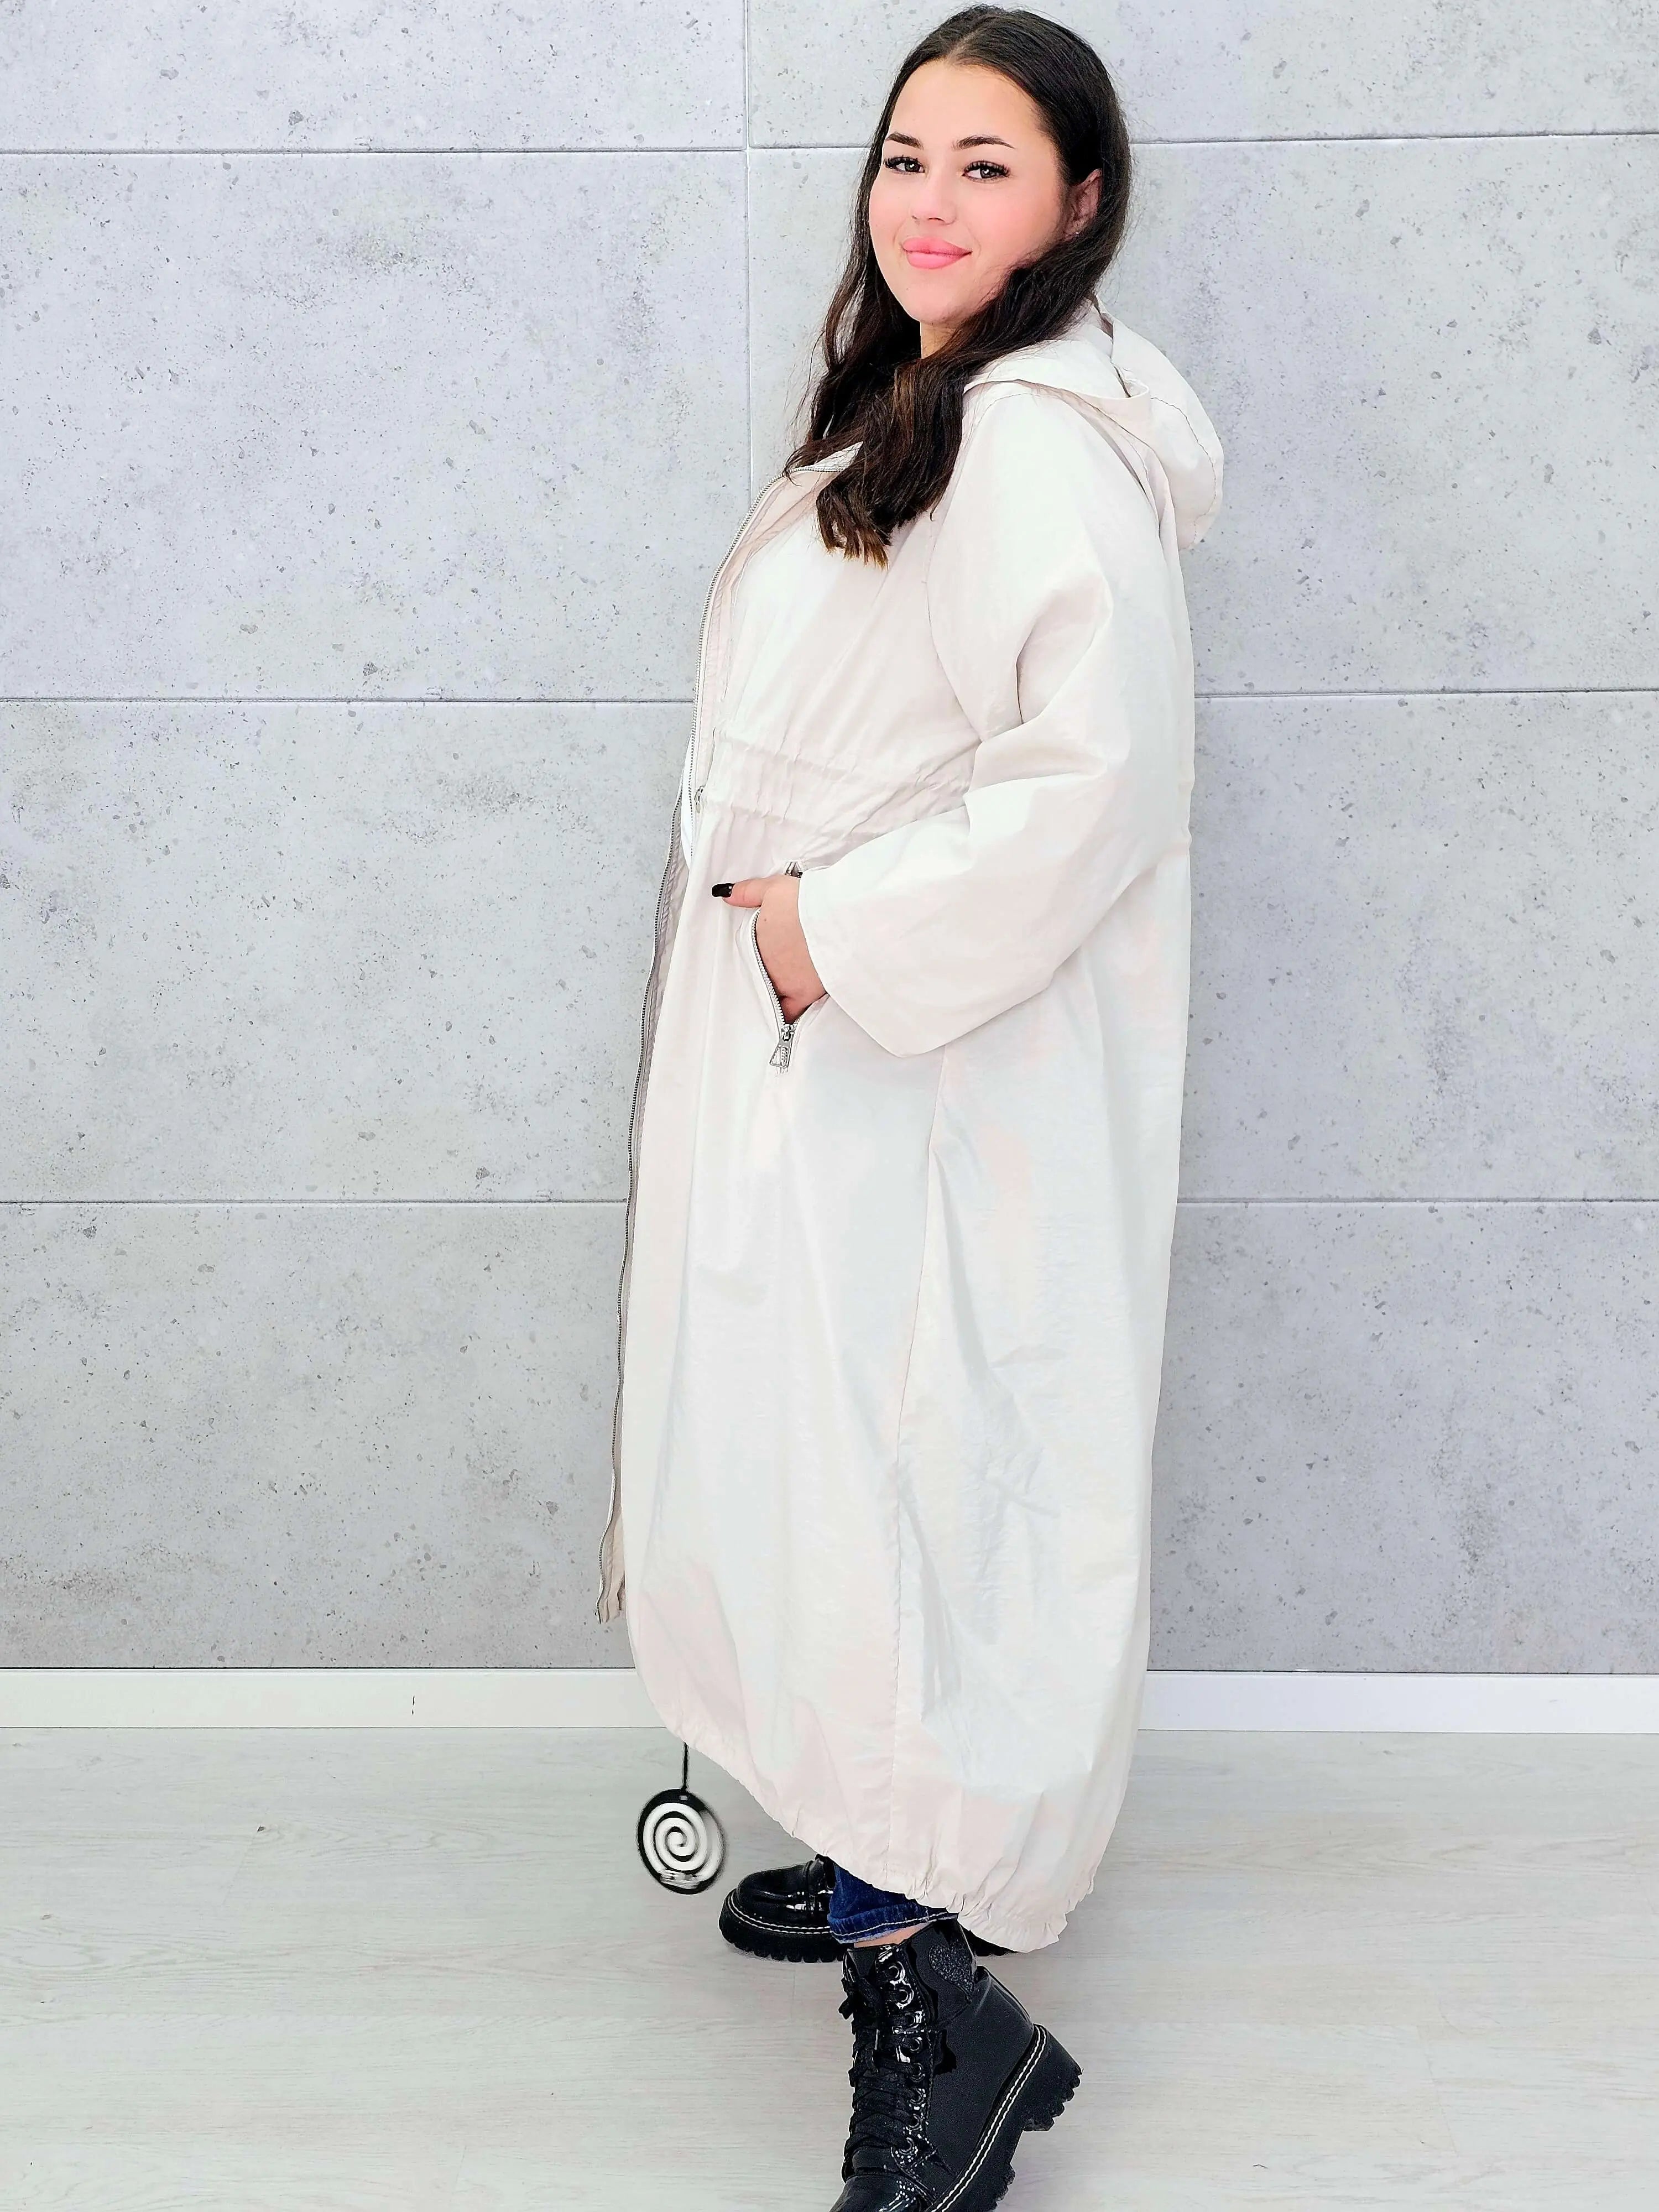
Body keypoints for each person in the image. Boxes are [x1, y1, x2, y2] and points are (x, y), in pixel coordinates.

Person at [599, 7, 1224, 2203]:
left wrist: (825, 936)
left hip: (926, 1062)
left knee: (909, 1484)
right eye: (904, 157)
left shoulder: (1037, 447)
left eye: (987, 165)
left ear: (1077, 203)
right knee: (836, 1469)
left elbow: (1098, 785)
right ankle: (895, 1858)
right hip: (839, 1053)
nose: (931, 202)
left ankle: (937, 2010)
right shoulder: (925, 405)